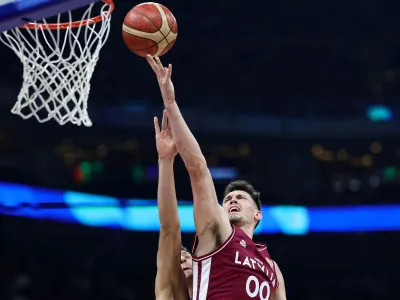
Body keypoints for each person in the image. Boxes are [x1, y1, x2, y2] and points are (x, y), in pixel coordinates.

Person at [147, 55, 286, 300]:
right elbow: (198, 170)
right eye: (228, 197)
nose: (232, 199)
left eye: (241, 197)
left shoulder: (272, 268)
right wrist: (171, 102)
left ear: (257, 214)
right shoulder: (219, 231)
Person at [153, 110, 193, 300]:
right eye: (180, 259)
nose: (183, 259)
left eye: (187, 258)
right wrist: (166, 161)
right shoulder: (168, 291)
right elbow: (169, 228)